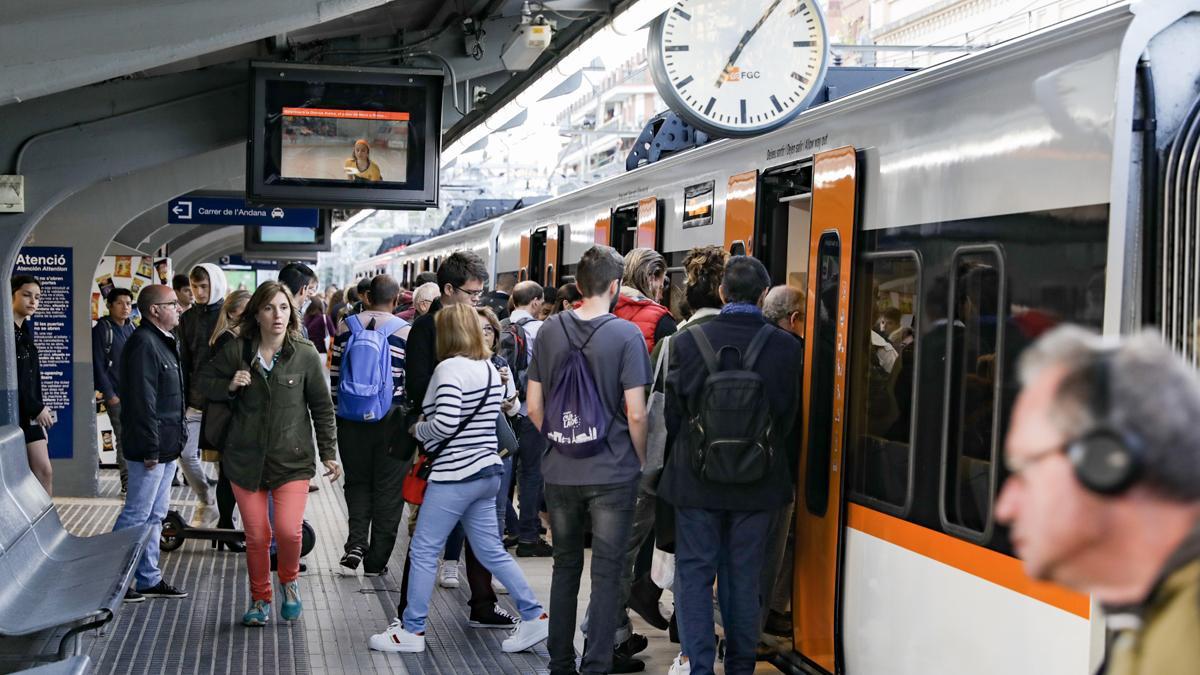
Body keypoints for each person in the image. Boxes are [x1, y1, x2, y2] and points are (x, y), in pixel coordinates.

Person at [995, 327, 1200, 675]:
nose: (1005, 508)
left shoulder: (1186, 643)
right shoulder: (1152, 620)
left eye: (1026, 470)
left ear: (1106, 463)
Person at [368, 304, 548, 653]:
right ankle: (534, 615)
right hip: (487, 470)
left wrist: (418, 429)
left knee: (423, 551)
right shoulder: (489, 367)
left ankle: (412, 630)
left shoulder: (449, 369)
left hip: (455, 474)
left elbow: (446, 422)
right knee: (491, 550)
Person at [660, 256, 803, 675]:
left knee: (695, 574)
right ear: (763, 295)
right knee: (744, 576)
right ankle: (740, 666)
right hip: (758, 484)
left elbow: (673, 415)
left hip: (696, 481)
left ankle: (699, 666)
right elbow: (788, 417)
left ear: (722, 293)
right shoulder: (787, 347)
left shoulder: (686, 341)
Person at [526, 244, 653, 675]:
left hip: (560, 471)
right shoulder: (627, 336)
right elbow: (637, 413)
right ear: (615, 286)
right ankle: (596, 664)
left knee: (565, 565)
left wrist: (559, 440)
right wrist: (639, 457)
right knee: (607, 570)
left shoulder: (549, 330)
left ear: (578, 286)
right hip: (613, 472)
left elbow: (533, 406)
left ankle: (560, 662)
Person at [199, 281, 340, 626]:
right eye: (268, 308)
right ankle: (260, 599)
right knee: (258, 535)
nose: (277, 315)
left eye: (284, 307)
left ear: (291, 313)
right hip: (244, 460)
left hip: (291, 459)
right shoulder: (238, 350)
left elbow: (322, 408)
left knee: (289, 531)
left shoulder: (304, 353)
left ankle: (289, 582)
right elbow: (201, 383)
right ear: (257, 314)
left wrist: (328, 453)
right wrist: (229, 384)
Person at [615, 246, 729, 667]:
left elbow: (653, 408)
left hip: (667, 465)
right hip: (732, 471)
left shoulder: (670, 340)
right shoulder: (756, 338)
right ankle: (697, 636)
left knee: (643, 549)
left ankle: (614, 631)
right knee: (711, 558)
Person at [399, 250, 515, 629]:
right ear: (448, 290)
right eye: (472, 293)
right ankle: (408, 614)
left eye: (480, 294)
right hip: (444, 445)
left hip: (475, 440)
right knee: (426, 538)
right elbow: (418, 387)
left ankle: (484, 603)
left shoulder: (472, 321)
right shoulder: (426, 328)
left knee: (482, 533)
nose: (477, 300)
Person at [113, 284, 190, 602]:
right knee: (136, 514)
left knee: (156, 514)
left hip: (166, 446)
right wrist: (150, 448)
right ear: (155, 310)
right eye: (173, 303)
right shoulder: (144, 343)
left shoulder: (163, 341)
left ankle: (148, 578)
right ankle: (113, 581)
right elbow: (142, 402)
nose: (179, 308)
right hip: (151, 448)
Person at [330, 274, 410, 576]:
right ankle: (376, 561)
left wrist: (340, 413)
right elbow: (408, 382)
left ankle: (355, 544)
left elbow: (335, 376)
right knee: (389, 490)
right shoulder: (405, 331)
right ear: (397, 298)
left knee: (357, 482)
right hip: (391, 419)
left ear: (366, 297)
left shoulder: (345, 327)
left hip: (351, 417)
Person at [440, 306, 521, 587]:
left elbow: (514, 409)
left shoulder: (501, 363)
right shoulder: (455, 363)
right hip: (465, 446)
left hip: (497, 446)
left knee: (497, 510)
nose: (484, 334)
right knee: (461, 508)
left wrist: (507, 399)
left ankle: (492, 569)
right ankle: (451, 563)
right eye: (478, 328)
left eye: (489, 329)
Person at [500, 281, 553, 558]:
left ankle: (505, 527)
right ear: (534, 301)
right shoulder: (541, 330)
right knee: (531, 474)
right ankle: (529, 537)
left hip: (504, 412)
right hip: (532, 411)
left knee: (504, 473)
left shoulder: (498, 326)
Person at [176, 264, 223, 525]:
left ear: (215, 284)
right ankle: (207, 500)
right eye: (194, 287)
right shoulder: (187, 318)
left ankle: (226, 511)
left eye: (203, 286)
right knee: (185, 454)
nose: (199, 292)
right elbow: (184, 361)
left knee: (223, 462)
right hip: (195, 401)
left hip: (223, 402)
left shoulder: (228, 315)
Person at [204, 289, 251, 546]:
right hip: (228, 414)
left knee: (229, 472)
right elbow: (215, 379)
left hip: (231, 412)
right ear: (232, 313)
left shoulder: (235, 336)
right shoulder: (226, 339)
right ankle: (225, 525)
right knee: (229, 473)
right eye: (246, 311)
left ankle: (226, 525)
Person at [12, 275, 53, 495]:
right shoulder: (6, 333)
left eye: (37, 297)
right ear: (11, 295)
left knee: (44, 471)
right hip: (13, 414)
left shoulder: (25, 332)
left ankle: (46, 516)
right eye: (27, 295)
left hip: (31, 414)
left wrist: (38, 413)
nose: (33, 301)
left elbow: (32, 378)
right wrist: (37, 409)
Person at [93, 288, 136, 493]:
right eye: (120, 303)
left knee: (135, 437)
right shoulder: (103, 329)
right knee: (123, 437)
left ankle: (135, 479)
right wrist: (110, 394)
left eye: (128, 303)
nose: (125, 307)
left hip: (134, 394)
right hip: (116, 395)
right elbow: (98, 364)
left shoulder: (131, 328)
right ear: (109, 305)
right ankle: (127, 481)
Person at [615, 248, 677, 352]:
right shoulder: (662, 320)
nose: (661, 297)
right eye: (660, 288)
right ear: (652, 278)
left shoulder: (602, 309)